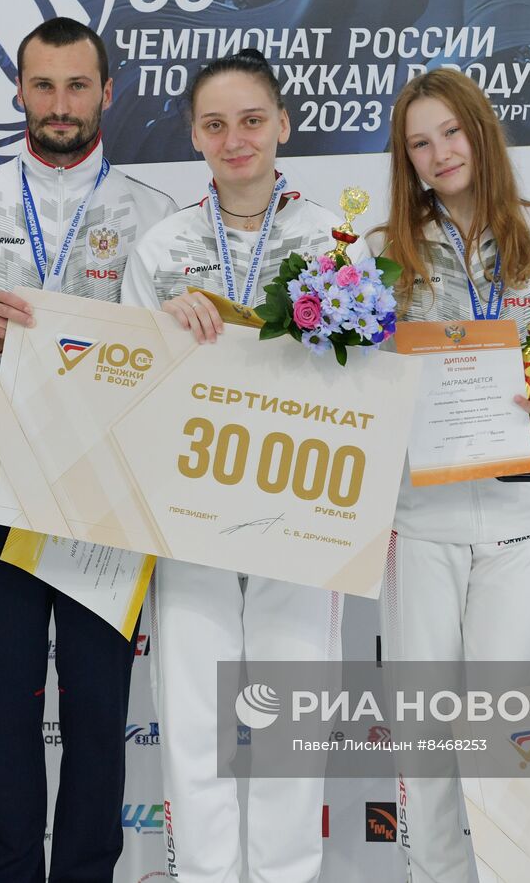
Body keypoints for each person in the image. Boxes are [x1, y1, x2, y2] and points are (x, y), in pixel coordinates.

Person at [0, 16, 174, 882]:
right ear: (17, 93)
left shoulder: (156, 216)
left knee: (102, 711)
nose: (59, 104)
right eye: (42, 85)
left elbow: (174, 376)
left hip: (108, 499)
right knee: (0, 711)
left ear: (108, 92)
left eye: (77, 85)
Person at [120, 48, 344, 883]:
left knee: (292, 720)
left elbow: (375, 376)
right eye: (215, 124)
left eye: (252, 120)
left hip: (304, 499)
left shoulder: (338, 240)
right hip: (192, 506)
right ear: (194, 135)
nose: (235, 138)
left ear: (283, 125)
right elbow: (131, 382)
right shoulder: (163, 245)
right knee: (190, 715)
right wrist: (159, 330)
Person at [367, 66, 530, 882]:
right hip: (417, 522)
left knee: (508, 742)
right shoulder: (378, 253)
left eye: (450, 133)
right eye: (419, 143)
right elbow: (354, 382)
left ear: (481, 130)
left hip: (515, 522)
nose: (438, 153)